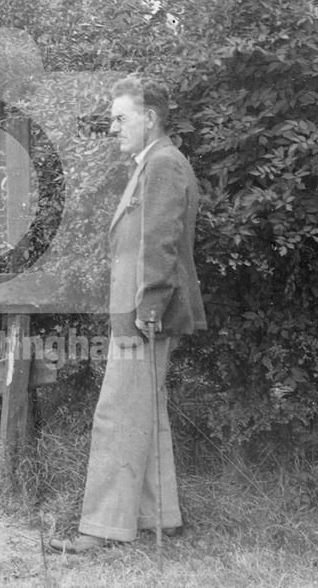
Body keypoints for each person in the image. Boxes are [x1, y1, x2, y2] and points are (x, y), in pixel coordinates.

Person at [48, 76, 206, 553]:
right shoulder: (153, 163)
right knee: (145, 413)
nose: (113, 127)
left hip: (145, 316)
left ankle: (99, 529)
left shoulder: (161, 164)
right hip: (140, 312)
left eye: (121, 118)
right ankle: (160, 517)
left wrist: (150, 306)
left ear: (149, 118)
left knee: (117, 415)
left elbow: (160, 242)